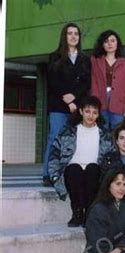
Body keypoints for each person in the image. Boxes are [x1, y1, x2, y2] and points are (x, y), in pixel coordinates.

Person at [49, 95, 113, 227]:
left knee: (92, 169)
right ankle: (77, 212)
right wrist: (54, 176)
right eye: (87, 111)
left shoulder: (105, 134)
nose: (90, 115)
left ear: (98, 115)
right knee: (74, 169)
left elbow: (111, 157)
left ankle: (89, 212)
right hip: (72, 171)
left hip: (94, 171)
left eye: (94, 112)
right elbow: (54, 153)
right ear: (81, 111)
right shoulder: (69, 131)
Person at [43, 22, 91, 186]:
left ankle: (69, 174)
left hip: (78, 106)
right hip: (58, 106)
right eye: (69, 33)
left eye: (76, 33)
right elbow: (53, 81)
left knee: (73, 142)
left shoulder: (85, 59)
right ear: (64, 36)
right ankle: (48, 174)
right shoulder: (54, 56)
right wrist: (67, 98)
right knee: (55, 139)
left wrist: (75, 98)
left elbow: (86, 83)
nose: (73, 36)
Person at [91, 30, 125, 131]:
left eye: (113, 40)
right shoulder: (95, 61)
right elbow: (94, 84)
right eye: (106, 41)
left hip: (119, 104)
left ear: (117, 43)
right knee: (101, 132)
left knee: (118, 132)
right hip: (100, 102)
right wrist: (94, 104)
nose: (110, 44)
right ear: (102, 44)